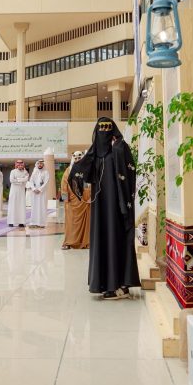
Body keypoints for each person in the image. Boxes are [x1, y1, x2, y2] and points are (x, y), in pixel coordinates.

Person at [68, 117, 139, 300]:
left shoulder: (119, 149)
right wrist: (74, 172)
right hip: (100, 208)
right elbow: (79, 170)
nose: (104, 132)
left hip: (117, 206)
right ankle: (103, 284)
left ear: (113, 129)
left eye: (108, 128)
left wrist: (124, 203)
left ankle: (120, 284)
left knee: (117, 239)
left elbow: (130, 172)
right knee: (102, 239)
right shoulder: (94, 153)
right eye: (101, 128)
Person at [60, 151, 91, 250]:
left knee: (87, 222)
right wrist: (65, 200)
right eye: (76, 158)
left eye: (79, 158)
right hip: (72, 202)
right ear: (73, 159)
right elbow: (64, 185)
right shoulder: (68, 171)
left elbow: (91, 184)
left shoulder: (87, 169)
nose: (77, 160)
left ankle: (87, 242)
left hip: (85, 201)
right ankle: (68, 242)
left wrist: (91, 197)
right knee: (71, 223)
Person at [6, 160, 29, 227]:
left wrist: (18, 179)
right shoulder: (13, 171)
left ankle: (21, 222)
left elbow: (26, 180)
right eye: (18, 163)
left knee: (21, 205)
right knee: (13, 205)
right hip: (14, 191)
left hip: (21, 191)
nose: (19, 165)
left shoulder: (25, 172)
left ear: (23, 164)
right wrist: (20, 180)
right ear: (16, 164)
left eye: (21, 164)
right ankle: (11, 221)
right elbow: (11, 180)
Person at [28, 159, 49, 228]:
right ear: (37, 164)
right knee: (34, 207)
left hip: (42, 192)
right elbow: (31, 181)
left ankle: (42, 223)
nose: (40, 165)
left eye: (41, 163)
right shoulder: (34, 172)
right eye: (38, 163)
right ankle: (34, 222)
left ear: (43, 164)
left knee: (42, 206)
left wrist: (40, 189)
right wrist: (34, 189)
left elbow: (46, 182)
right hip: (34, 193)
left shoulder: (46, 172)